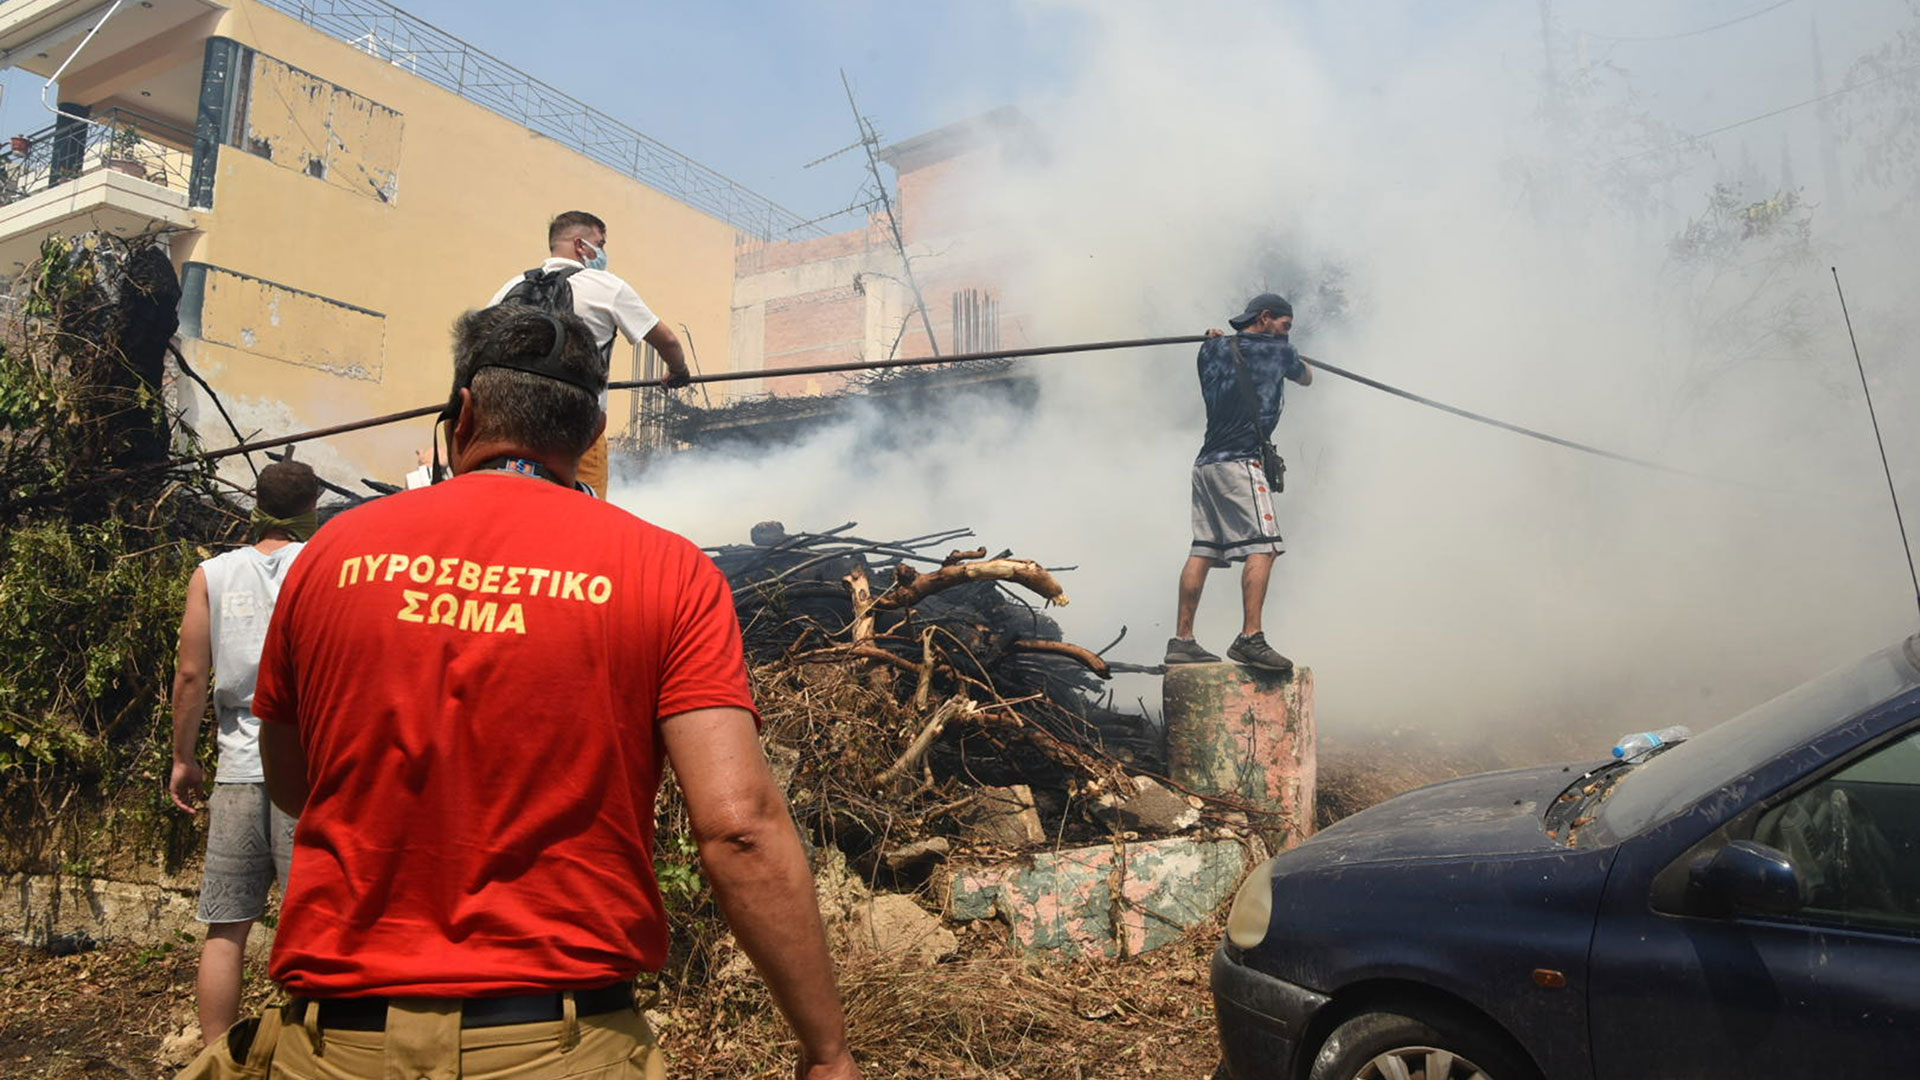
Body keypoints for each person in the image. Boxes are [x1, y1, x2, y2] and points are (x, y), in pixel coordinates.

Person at [197, 306, 859, 1079]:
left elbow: (293, 784)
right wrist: (827, 1050)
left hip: (337, 1046)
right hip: (563, 1046)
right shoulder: (668, 571)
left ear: (465, 413)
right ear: (591, 431)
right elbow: (740, 825)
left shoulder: (332, 552)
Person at [167, 459, 320, 1046]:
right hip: (304, 764)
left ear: (257, 502)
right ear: (313, 504)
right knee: (309, 922)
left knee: (226, 927)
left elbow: (189, 674)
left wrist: (185, 758)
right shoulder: (323, 565)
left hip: (235, 763)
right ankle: (307, 1051)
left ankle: (213, 1057)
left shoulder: (212, 573)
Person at [489, 210, 693, 497]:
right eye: (601, 243)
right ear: (581, 245)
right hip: (578, 431)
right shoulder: (607, 287)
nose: (602, 251)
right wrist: (678, 371)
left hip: (509, 429)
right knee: (583, 517)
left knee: (514, 506)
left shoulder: (509, 289)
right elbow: (667, 340)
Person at [1165, 293, 1313, 673]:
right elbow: (1307, 377)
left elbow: (1218, 352)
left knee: (1203, 550)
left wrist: (1212, 338)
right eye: (1284, 324)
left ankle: (1182, 641)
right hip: (1240, 464)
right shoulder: (1278, 351)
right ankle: (1251, 638)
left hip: (1206, 466)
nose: (1285, 332)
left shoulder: (1210, 349)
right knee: (1264, 548)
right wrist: (1293, 352)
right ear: (1266, 317)